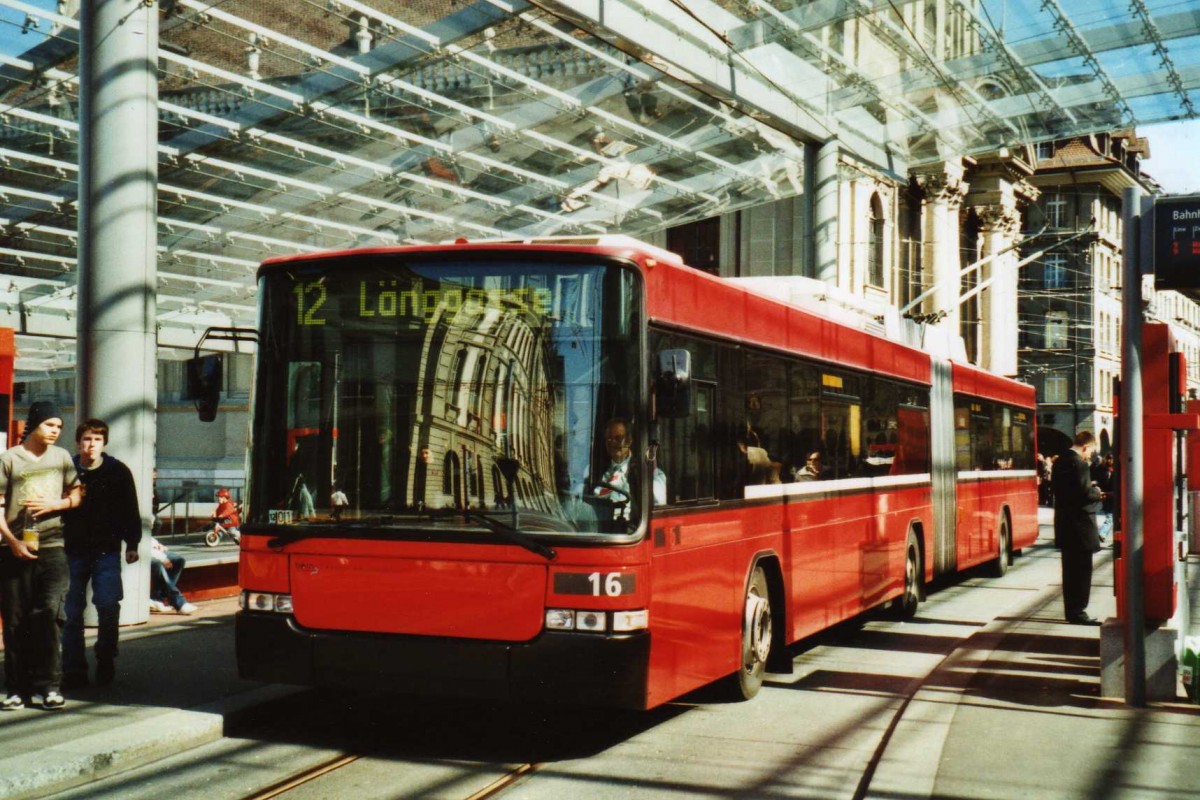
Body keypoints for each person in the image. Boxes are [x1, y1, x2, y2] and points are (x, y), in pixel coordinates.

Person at [0, 401, 81, 710]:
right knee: (16, 620)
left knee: (50, 614)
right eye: (50, 425)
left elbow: (76, 494)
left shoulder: (61, 458)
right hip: (14, 550)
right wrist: (12, 542)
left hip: (52, 548)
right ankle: (17, 688)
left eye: (59, 427)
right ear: (34, 424)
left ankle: (49, 686)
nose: (55, 431)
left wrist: (55, 506)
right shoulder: (9, 459)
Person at [62, 419, 142, 690]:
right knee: (71, 612)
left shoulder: (117, 471)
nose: (91, 444)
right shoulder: (68, 469)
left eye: (96, 439)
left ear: (104, 443)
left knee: (108, 605)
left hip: (106, 551)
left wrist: (132, 543)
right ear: (78, 442)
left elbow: (130, 509)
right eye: (86, 439)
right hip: (72, 551)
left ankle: (106, 656)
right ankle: (73, 669)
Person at [1052, 431, 1104, 625]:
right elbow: (1084, 493)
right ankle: (1079, 612)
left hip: (1066, 526)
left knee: (1069, 572)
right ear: (1085, 447)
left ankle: (1071, 611)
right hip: (1082, 527)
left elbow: (1065, 491)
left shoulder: (1059, 461)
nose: (1089, 456)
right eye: (1089, 451)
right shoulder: (1080, 464)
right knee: (1082, 572)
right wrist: (1096, 492)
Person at [593, 418, 666, 520]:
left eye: (618, 438)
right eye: (609, 439)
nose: (613, 443)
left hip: (630, 529)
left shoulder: (644, 469)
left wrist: (639, 481)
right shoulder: (596, 469)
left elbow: (660, 501)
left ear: (629, 440)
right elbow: (595, 497)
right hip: (602, 527)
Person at [148, 537, 197, 614]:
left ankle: (157, 598)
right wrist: (162, 557)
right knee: (158, 564)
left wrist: (156, 544)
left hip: (151, 550)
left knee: (178, 560)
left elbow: (146, 535)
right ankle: (179, 602)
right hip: (137, 553)